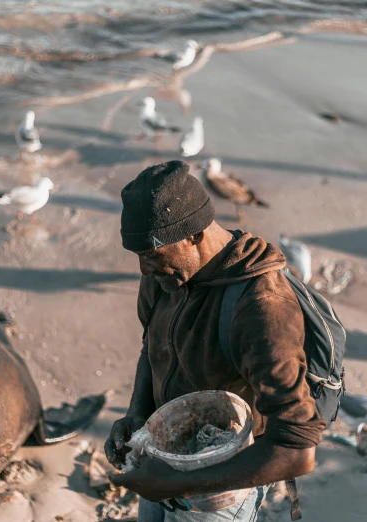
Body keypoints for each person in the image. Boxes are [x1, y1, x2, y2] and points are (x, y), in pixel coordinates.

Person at [106, 160, 325, 522]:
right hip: (164, 460)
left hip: (221, 488)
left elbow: (297, 450)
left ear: (194, 234)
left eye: (152, 256)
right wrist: (137, 415)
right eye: (140, 256)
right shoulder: (166, 275)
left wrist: (178, 486)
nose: (144, 269)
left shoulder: (261, 307)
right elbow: (153, 347)